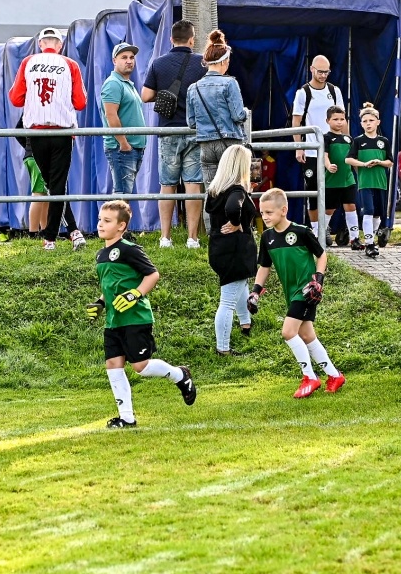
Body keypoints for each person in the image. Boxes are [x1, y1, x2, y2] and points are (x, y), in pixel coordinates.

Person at [88, 199, 197, 428]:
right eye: (99, 219)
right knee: (113, 364)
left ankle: (180, 375)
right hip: (113, 320)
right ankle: (126, 418)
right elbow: (110, 286)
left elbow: (152, 275)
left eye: (107, 221)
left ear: (121, 226)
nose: (100, 224)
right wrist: (100, 303)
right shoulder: (100, 255)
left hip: (136, 318)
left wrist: (135, 294)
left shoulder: (129, 249)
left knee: (141, 367)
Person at [250, 187, 344, 398]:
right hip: (290, 293)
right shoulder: (267, 238)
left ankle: (309, 376)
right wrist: (255, 292)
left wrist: (318, 279)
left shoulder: (301, 232)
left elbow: (322, 255)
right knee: (306, 335)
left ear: (283, 210)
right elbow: (264, 267)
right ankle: (334, 374)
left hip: (305, 291)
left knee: (288, 332)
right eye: (262, 213)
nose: (264, 217)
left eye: (269, 212)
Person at [9, 27, 87, 250]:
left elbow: (15, 98)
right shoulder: (70, 65)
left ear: (41, 44)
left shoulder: (28, 63)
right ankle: (66, 234)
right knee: (57, 185)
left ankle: (55, 237)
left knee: (54, 186)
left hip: (36, 133)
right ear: (60, 45)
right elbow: (81, 102)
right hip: (62, 131)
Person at [141, 19, 208, 248]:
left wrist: (165, 93)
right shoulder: (202, 64)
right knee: (192, 184)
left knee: (167, 184)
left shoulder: (158, 64)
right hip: (194, 130)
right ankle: (192, 238)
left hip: (168, 131)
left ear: (171, 39)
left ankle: (165, 237)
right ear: (192, 39)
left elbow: (145, 96)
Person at [187, 29, 251, 221]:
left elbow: (191, 122)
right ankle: (234, 227)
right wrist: (246, 112)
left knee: (212, 190)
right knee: (234, 188)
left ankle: (214, 231)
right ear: (223, 61)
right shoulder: (229, 83)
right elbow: (238, 115)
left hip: (205, 144)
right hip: (229, 142)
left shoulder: (193, 87)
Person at [204, 143, 258, 354]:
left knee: (240, 284)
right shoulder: (236, 191)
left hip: (220, 246)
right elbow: (233, 207)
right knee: (227, 300)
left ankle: (246, 323)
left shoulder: (216, 190)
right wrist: (236, 222)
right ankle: (223, 348)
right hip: (235, 249)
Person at [290, 55, 344, 204]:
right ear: (311, 69)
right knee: (313, 191)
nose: (323, 75)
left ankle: (326, 225)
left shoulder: (335, 91)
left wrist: (346, 144)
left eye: (326, 72)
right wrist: (299, 147)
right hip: (312, 150)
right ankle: (315, 227)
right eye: (320, 72)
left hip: (333, 148)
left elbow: (342, 120)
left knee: (334, 190)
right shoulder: (303, 93)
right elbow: (296, 122)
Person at [100, 42, 147, 196]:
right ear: (114, 60)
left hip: (132, 148)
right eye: (124, 57)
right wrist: (123, 143)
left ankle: (117, 221)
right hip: (122, 149)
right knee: (121, 196)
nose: (129, 61)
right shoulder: (113, 83)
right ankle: (109, 221)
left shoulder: (127, 84)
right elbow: (110, 115)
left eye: (132, 57)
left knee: (124, 196)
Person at [352, 103, 392, 257]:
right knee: (368, 211)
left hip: (380, 182)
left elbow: (390, 162)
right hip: (365, 182)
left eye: (371, 120)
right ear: (361, 124)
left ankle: (372, 240)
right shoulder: (358, 141)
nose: (368, 124)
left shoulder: (384, 141)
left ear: (378, 122)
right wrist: (363, 164)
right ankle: (369, 244)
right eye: (365, 121)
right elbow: (349, 160)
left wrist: (379, 162)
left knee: (377, 214)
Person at [322, 107, 361, 248]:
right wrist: (328, 166)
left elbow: (353, 159)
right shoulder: (326, 138)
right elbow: (324, 156)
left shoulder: (349, 139)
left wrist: (359, 174)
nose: (339, 122)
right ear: (328, 121)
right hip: (332, 180)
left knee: (351, 206)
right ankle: (321, 234)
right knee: (329, 209)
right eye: (335, 119)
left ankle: (355, 238)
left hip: (348, 179)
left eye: (342, 119)